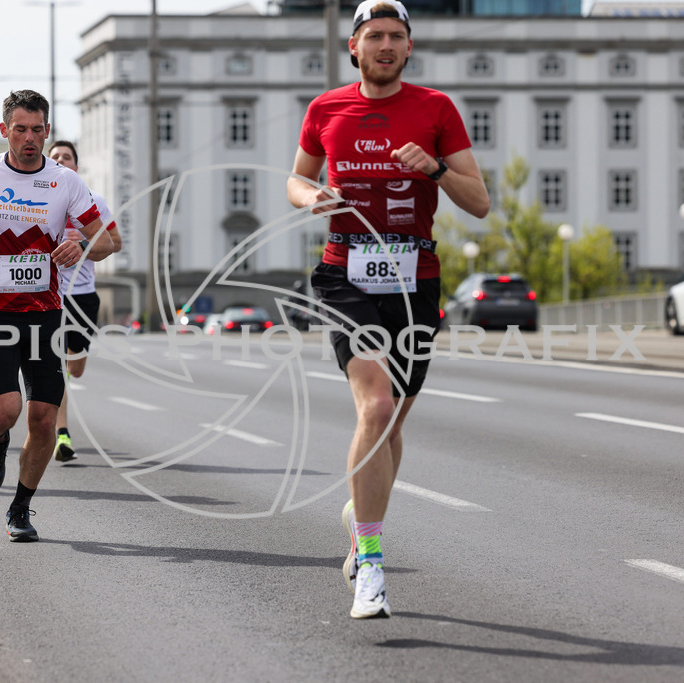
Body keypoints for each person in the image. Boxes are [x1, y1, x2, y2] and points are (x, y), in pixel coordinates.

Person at [287, 0, 490, 619]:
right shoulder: (327, 108)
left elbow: (478, 202)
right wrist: (312, 197)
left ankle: (359, 516)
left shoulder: (435, 109)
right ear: (354, 46)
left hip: (415, 278)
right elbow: (295, 179)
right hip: (346, 273)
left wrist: (433, 169)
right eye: (373, 35)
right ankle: (370, 563)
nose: (384, 45)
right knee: (374, 406)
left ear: (409, 47)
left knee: (391, 425)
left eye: (395, 36)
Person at [0, 90, 112, 542]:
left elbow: (108, 240)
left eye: (38, 129)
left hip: (45, 315)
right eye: (21, 129)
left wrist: (82, 245)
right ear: (5, 131)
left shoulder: (66, 182)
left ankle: (21, 508)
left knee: (41, 418)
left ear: (48, 131)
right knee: (4, 411)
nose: (30, 138)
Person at [47, 140, 123, 462]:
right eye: (55, 157)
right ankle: (60, 433)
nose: (61, 160)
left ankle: (57, 422)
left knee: (73, 368)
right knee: (57, 365)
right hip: (48, 295)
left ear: (77, 167)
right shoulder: (39, 199)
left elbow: (115, 243)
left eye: (67, 157)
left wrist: (86, 243)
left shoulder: (94, 201)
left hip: (82, 296)